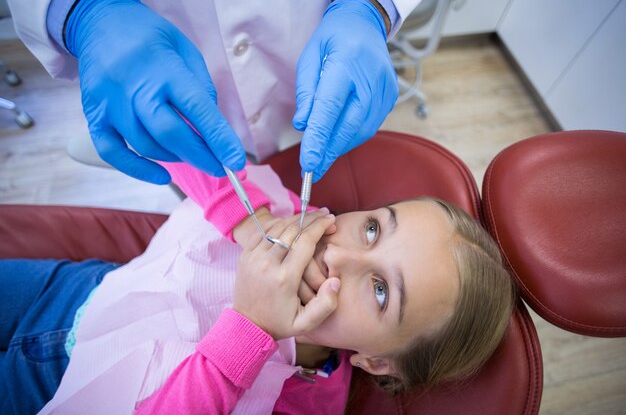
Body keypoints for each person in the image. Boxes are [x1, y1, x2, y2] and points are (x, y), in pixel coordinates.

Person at [0, 160, 515, 415]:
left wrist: (248, 332)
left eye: (380, 291)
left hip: (59, 384)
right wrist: (247, 219)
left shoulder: (301, 404)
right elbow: (190, 152)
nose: (336, 253)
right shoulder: (289, 215)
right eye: (373, 229)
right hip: (73, 288)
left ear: (379, 362)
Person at [7, 0, 424, 183]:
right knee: (189, 159)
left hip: (307, 40)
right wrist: (80, 10)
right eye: (372, 229)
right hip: (159, 69)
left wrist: (368, 5)